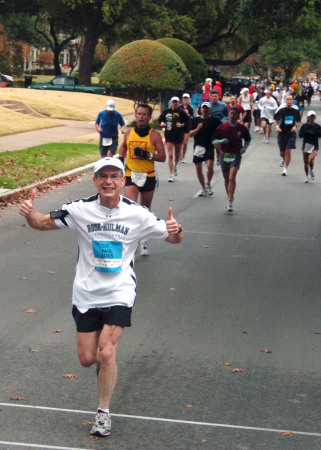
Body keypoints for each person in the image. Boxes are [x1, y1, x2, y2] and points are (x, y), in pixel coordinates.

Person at [19, 157, 183, 438]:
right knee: (87, 358)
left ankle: (103, 412)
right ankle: (105, 365)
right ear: (95, 181)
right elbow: (43, 223)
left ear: (122, 181)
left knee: (106, 351)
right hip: (86, 294)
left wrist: (176, 230)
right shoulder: (80, 210)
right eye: (103, 176)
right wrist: (28, 213)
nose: (108, 181)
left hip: (120, 291)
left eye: (114, 176)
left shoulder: (138, 214)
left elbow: (174, 238)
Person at [118, 103, 166, 256]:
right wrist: (119, 161)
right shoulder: (128, 132)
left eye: (144, 114)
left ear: (150, 117)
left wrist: (148, 155)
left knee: (144, 211)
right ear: (135, 115)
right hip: (131, 174)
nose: (141, 117)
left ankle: (144, 239)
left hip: (148, 176)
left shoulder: (155, 135)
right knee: (131, 209)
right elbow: (123, 148)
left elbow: (163, 157)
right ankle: (130, 242)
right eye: (139, 114)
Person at [213, 107, 251, 212]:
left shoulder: (242, 128)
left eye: (235, 114)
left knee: (232, 177)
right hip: (224, 154)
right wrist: (221, 142)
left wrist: (244, 148)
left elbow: (248, 139)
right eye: (230, 113)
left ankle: (229, 201)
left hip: (236, 154)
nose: (232, 115)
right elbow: (213, 141)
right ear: (228, 115)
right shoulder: (222, 127)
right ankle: (230, 195)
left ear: (238, 116)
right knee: (226, 178)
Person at [189, 102, 221, 197]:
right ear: (200, 109)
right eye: (203, 108)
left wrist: (219, 142)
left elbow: (220, 130)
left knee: (210, 166)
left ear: (210, 110)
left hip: (209, 146)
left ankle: (209, 184)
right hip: (198, 146)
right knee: (198, 168)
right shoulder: (195, 120)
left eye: (207, 108)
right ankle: (203, 187)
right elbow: (190, 134)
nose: (205, 110)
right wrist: (197, 128)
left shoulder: (215, 120)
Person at [159, 97, 189, 182]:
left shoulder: (181, 112)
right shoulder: (166, 111)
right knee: (170, 154)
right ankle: (171, 174)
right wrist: (161, 123)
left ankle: (175, 166)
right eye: (173, 102)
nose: (175, 103)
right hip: (169, 134)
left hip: (179, 135)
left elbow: (188, 123)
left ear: (178, 103)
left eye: (176, 102)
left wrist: (182, 125)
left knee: (176, 156)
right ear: (171, 103)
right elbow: (161, 118)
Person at [274, 95, 301, 176]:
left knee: (288, 150)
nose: (289, 101)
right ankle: (282, 158)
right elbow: (275, 120)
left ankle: (285, 169)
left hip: (291, 133)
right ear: (285, 101)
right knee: (282, 152)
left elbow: (299, 121)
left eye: (290, 99)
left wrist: (295, 126)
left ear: (292, 100)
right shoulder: (282, 110)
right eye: (287, 99)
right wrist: (277, 126)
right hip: (282, 132)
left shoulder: (295, 111)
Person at [299, 110, 321, 182]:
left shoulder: (318, 127)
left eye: (313, 117)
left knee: (311, 159)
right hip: (306, 145)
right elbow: (300, 135)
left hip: (314, 145)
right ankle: (307, 175)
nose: (311, 118)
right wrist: (304, 133)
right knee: (306, 163)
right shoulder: (304, 126)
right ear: (308, 118)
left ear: (315, 118)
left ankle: (311, 170)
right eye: (310, 117)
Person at [180, 93, 195, 162]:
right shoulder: (179, 107)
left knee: (185, 142)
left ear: (189, 99)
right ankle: (179, 154)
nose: (185, 100)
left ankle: (183, 156)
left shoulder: (191, 108)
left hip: (187, 126)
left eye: (187, 98)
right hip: (179, 126)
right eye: (184, 98)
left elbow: (193, 118)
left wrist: (188, 114)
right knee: (179, 141)